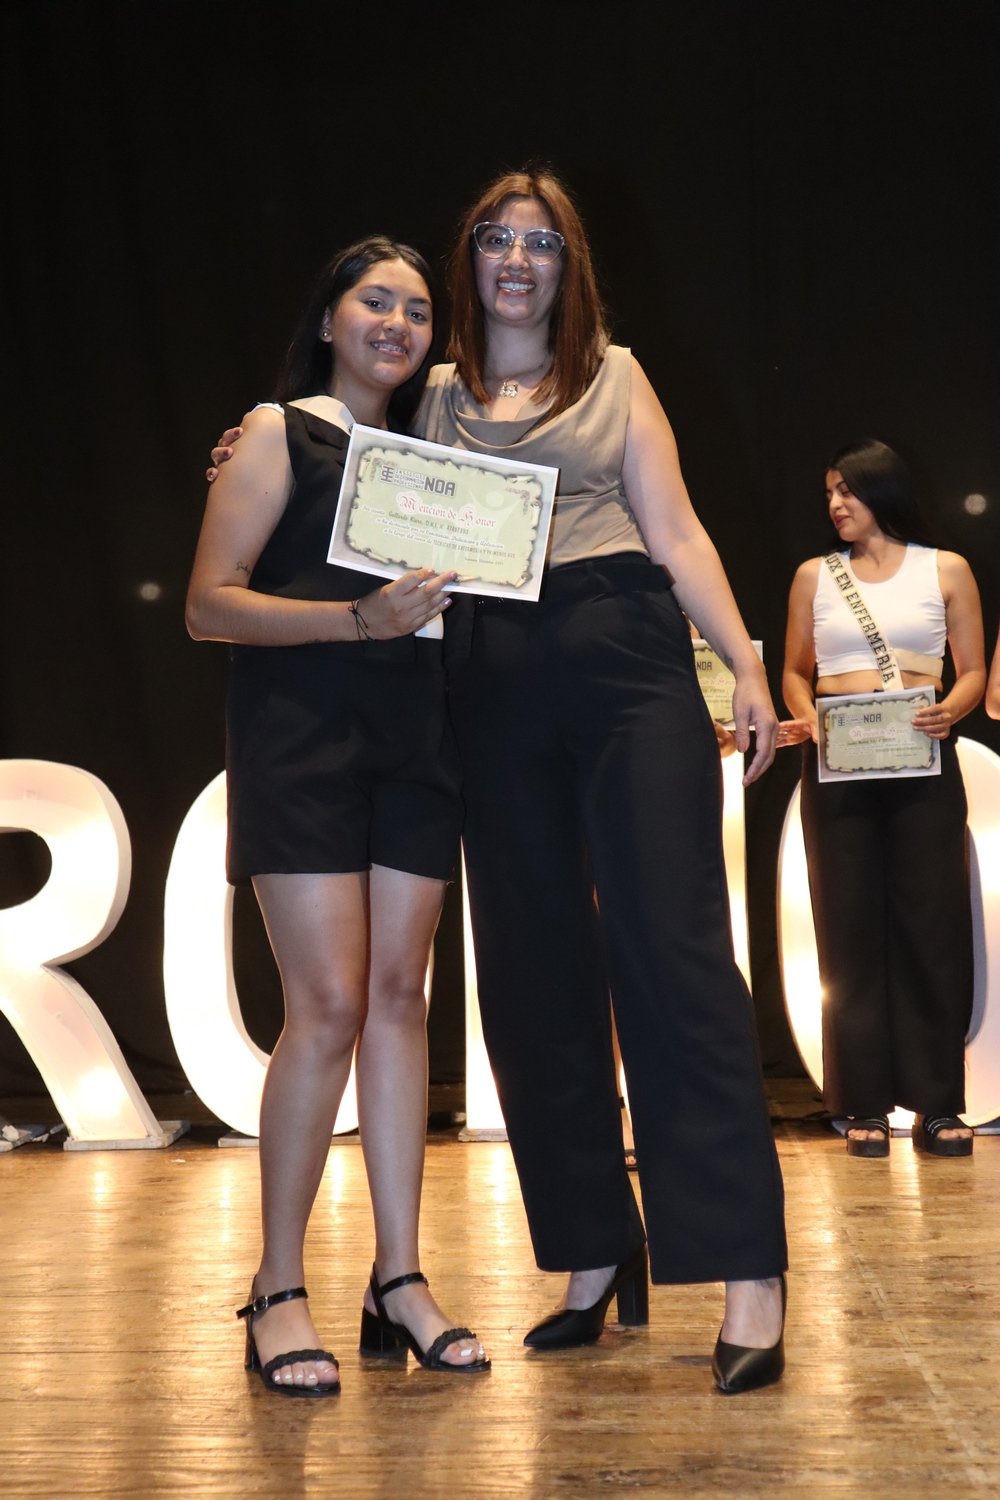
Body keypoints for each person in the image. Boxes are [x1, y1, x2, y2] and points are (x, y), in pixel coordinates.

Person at [210, 173, 788, 1395]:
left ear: (568, 265)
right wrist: (245, 442)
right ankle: (592, 1252)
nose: (517, 259)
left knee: (673, 953)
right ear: (469, 262)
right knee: (528, 973)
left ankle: (747, 1268)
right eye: (495, 240)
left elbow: (678, 532)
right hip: (487, 685)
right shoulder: (426, 395)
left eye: (541, 243)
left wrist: (742, 663)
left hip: (625, 662)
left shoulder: (616, 376)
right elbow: (324, 457)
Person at [187, 237, 490, 1396]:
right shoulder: (277, 433)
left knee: (401, 997)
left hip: (416, 742)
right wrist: (356, 622)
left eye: (417, 309)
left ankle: (398, 1279)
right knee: (323, 1006)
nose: (397, 323)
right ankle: (277, 1287)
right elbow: (209, 607)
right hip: (301, 742)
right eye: (375, 300)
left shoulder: (438, 461)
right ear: (329, 318)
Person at [779, 440, 985, 1159]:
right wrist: (806, 718)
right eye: (829, 493)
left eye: (848, 490)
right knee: (848, 928)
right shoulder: (815, 575)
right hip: (838, 763)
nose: (836, 504)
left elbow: (971, 670)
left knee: (932, 924)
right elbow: (795, 672)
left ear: (883, 491)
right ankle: (861, 1103)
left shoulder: (945, 569)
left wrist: (950, 710)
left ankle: (938, 1104)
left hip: (922, 760)